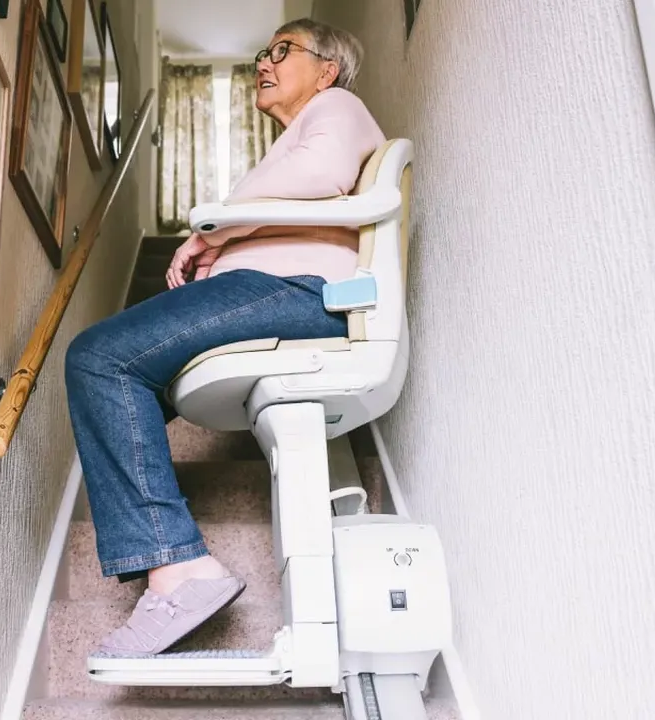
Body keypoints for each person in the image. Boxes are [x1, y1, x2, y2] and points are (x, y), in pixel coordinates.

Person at [65, 18, 386, 656]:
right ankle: (171, 563)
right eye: (263, 53)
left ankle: (179, 568)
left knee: (100, 357)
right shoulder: (299, 132)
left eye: (282, 51)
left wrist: (212, 231)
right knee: (118, 381)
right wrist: (222, 243)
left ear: (326, 70)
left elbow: (319, 173)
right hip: (284, 289)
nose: (264, 63)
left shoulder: (336, 107)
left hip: (299, 291)